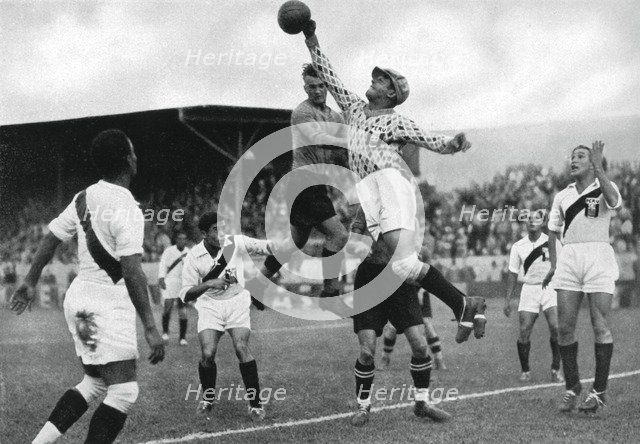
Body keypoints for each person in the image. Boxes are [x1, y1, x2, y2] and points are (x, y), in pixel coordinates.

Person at [298, 20, 486, 340]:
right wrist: (310, 38)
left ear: (391, 92)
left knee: (402, 262)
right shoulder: (355, 108)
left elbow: (427, 138)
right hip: (370, 194)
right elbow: (329, 75)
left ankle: (463, 304)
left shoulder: (397, 122)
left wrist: (452, 145)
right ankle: (466, 304)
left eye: (381, 78)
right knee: (402, 266)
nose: (374, 79)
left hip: (391, 186)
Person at [10, 129, 165, 443]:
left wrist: (29, 281)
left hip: (78, 299)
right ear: (127, 160)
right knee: (123, 391)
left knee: (93, 383)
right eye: (133, 152)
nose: (136, 157)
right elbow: (132, 272)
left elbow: (51, 236)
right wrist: (151, 326)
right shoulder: (128, 208)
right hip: (107, 302)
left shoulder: (84, 197)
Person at [259, 63, 350, 315]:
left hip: (316, 183)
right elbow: (321, 139)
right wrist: (352, 138)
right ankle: (330, 293)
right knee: (339, 235)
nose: (318, 91)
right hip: (303, 181)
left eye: (321, 86)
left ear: (327, 87)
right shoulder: (301, 113)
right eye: (312, 87)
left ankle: (257, 285)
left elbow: (341, 151)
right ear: (305, 88)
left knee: (295, 243)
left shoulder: (335, 116)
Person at [348, 207, 450, 426]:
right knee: (366, 351)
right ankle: (363, 406)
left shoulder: (405, 204)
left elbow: (414, 241)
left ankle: (422, 403)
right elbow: (354, 233)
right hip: (369, 278)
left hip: (399, 278)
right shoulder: (367, 203)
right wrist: (357, 245)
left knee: (420, 346)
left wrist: (416, 251)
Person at [543, 141, 621, 413]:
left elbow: (613, 202)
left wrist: (600, 167)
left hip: (598, 257)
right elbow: (552, 231)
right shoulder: (562, 196)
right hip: (570, 259)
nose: (573, 160)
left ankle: (599, 392)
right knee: (564, 328)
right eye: (572, 156)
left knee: (600, 324)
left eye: (580, 156)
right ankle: (573, 386)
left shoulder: (604, 186)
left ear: (592, 162)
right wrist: (554, 264)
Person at [180, 212, 275, 422]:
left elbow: (266, 246)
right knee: (208, 353)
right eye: (215, 229)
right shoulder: (194, 256)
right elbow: (185, 294)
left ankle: (256, 405)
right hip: (210, 305)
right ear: (204, 233)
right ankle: (207, 399)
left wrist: (283, 245)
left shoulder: (236, 243)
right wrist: (208, 284)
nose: (221, 233)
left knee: (241, 348)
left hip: (237, 301)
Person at [504, 212, 563, 383]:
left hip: (549, 287)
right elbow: (513, 273)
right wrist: (507, 300)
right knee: (524, 330)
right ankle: (525, 370)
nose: (532, 221)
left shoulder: (552, 242)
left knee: (555, 327)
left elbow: (560, 266)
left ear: (543, 222)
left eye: (536, 218)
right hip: (529, 289)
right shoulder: (518, 246)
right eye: (529, 219)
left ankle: (555, 369)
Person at [158, 231, 190, 345]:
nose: (182, 241)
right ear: (176, 240)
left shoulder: (188, 252)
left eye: (184, 239)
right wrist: (161, 278)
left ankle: (182, 338)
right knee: (168, 307)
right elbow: (162, 264)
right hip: (170, 280)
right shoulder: (169, 251)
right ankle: (165, 333)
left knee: (183, 311)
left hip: (182, 283)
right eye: (180, 239)